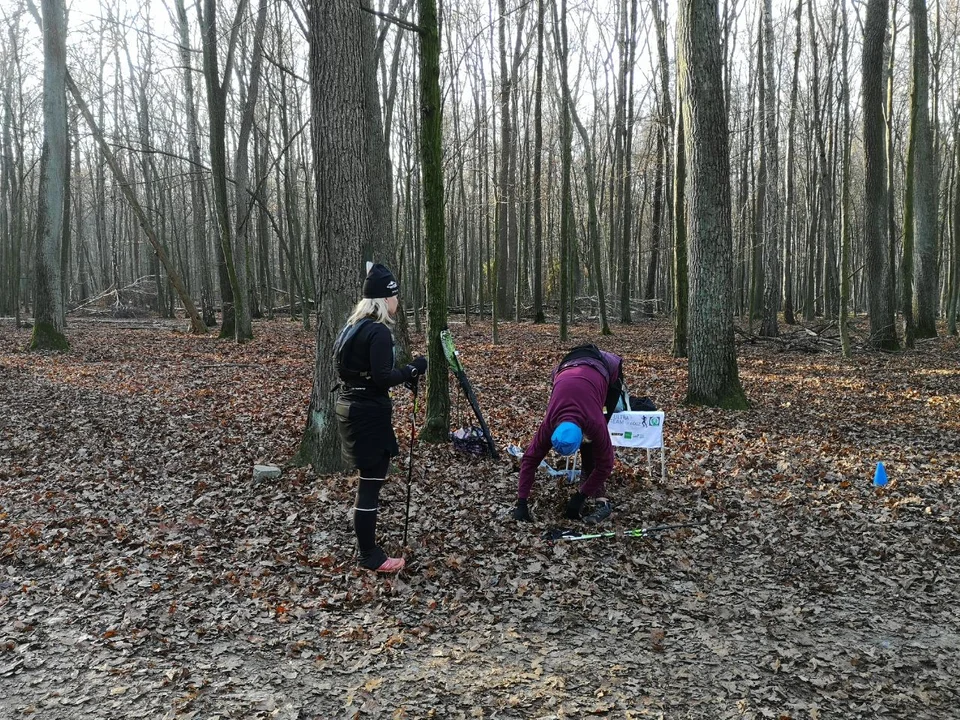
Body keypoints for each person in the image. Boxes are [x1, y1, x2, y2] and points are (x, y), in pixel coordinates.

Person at [334, 263, 426, 573]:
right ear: (385, 299)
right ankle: (369, 555)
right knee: (370, 485)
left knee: (367, 483)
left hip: (350, 408)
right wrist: (413, 369)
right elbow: (383, 377)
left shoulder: (352, 327)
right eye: (396, 296)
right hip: (367, 415)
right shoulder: (378, 332)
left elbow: (365, 374)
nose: (398, 302)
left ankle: (365, 547)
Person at [511, 345, 626, 526]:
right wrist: (522, 503)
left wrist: (580, 497)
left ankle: (595, 493)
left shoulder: (595, 423)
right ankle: (588, 485)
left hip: (606, 367)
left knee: (591, 449)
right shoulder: (549, 424)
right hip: (566, 367)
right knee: (589, 445)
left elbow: (606, 464)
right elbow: (529, 460)